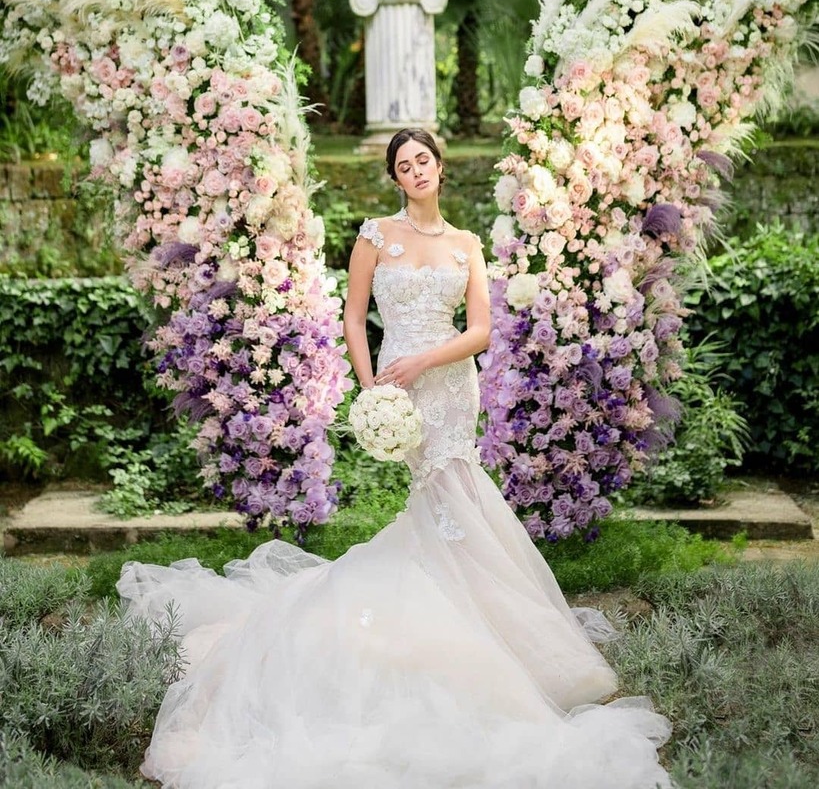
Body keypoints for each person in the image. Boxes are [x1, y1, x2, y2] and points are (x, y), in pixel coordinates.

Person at [117, 128, 672, 788]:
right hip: (398, 388)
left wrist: (425, 360)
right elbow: (354, 317)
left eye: (423, 160)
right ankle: (465, 618)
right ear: (395, 177)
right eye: (404, 165)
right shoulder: (375, 236)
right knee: (442, 494)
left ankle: (485, 620)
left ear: (439, 167)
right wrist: (372, 386)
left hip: (448, 380)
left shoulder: (466, 244)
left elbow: (481, 331)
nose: (416, 170)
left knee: (459, 487)